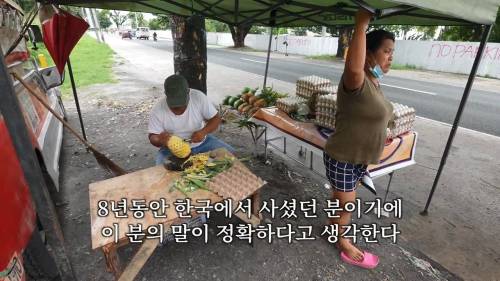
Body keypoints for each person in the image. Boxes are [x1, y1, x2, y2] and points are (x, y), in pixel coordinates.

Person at [323, 8, 395, 268]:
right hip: (342, 156)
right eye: (386, 51)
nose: (390, 58)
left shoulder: (375, 83)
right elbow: (353, 66)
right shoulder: (356, 80)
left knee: (339, 200)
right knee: (347, 205)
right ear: (368, 54)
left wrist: (382, 133)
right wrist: (361, 26)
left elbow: (373, 114)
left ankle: (332, 228)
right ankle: (342, 241)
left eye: (392, 52)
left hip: (358, 159)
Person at [148, 74, 234, 165]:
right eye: (174, 105)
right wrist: (160, 140)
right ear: (166, 94)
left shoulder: (199, 98)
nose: (179, 108)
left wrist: (203, 132)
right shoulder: (158, 109)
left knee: (232, 156)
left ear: (188, 92)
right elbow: (152, 136)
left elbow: (216, 119)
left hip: (202, 144)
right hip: (172, 150)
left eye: (182, 104)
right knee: (161, 171)